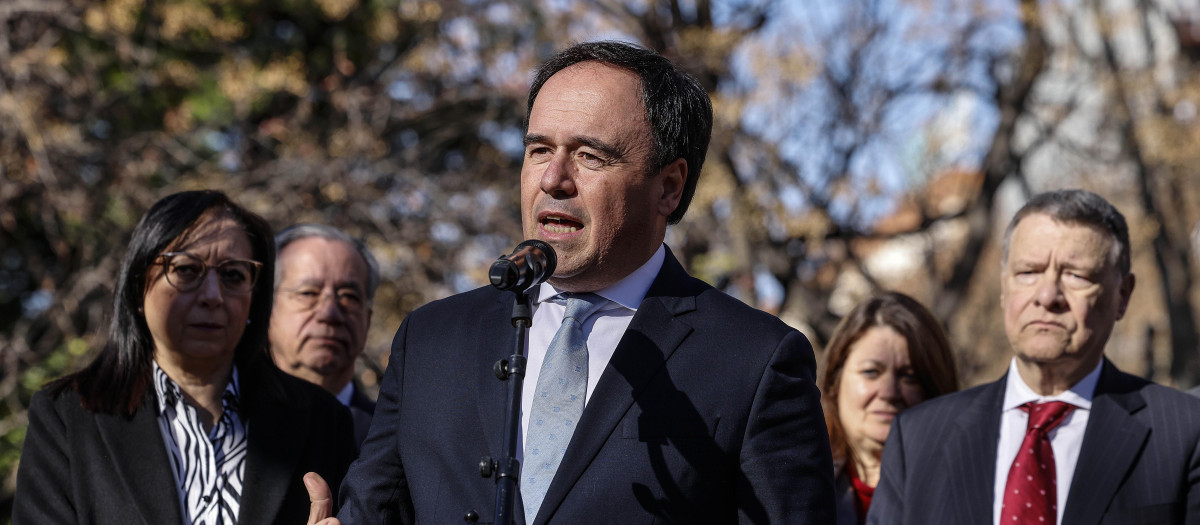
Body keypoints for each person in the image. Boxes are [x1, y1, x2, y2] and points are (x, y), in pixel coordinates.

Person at [308, 40, 837, 524]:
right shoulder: (431, 340)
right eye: (539, 149)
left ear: (670, 187)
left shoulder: (755, 361)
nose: (552, 179)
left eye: (589, 156)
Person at [15, 190, 356, 525]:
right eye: (186, 270)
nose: (212, 296)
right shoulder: (68, 417)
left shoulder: (322, 421)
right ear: (138, 284)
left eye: (233, 275)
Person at [867, 189, 1200, 525]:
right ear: (1003, 286)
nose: (1047, 295)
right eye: (1028, 272)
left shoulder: (1183, 433)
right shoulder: (918, 439)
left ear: (1123, 295)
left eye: (1076, 275)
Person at [819, 291, 958, 525]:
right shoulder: (797, 488)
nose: (889, 392)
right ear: (835, 380)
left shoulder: (970, 489)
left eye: (909, 377)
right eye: (871, 372)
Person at [270, 223, 379, 447]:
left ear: (367, 320)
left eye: (348, 296)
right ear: (267, 309)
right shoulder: (226, 425)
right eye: (308, 293)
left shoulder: (396, 443)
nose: (329, 313)